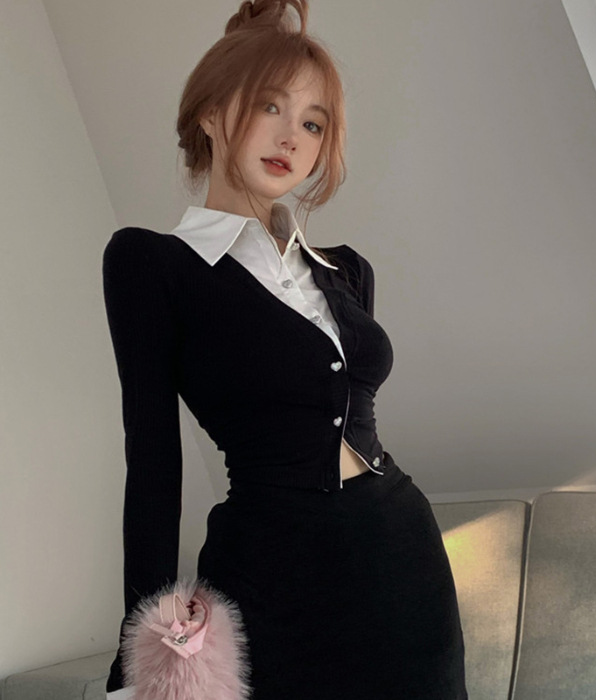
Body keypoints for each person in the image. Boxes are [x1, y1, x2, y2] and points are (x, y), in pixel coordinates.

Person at [102, 1, 468, 698]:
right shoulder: (151, 264)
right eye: (270, 106)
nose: (290, 137)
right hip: (274, 576)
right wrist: (136, 659)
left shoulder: (347, 270)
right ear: (211, 113)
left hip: (404, 561)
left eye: (312, 123)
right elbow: (151, 461)